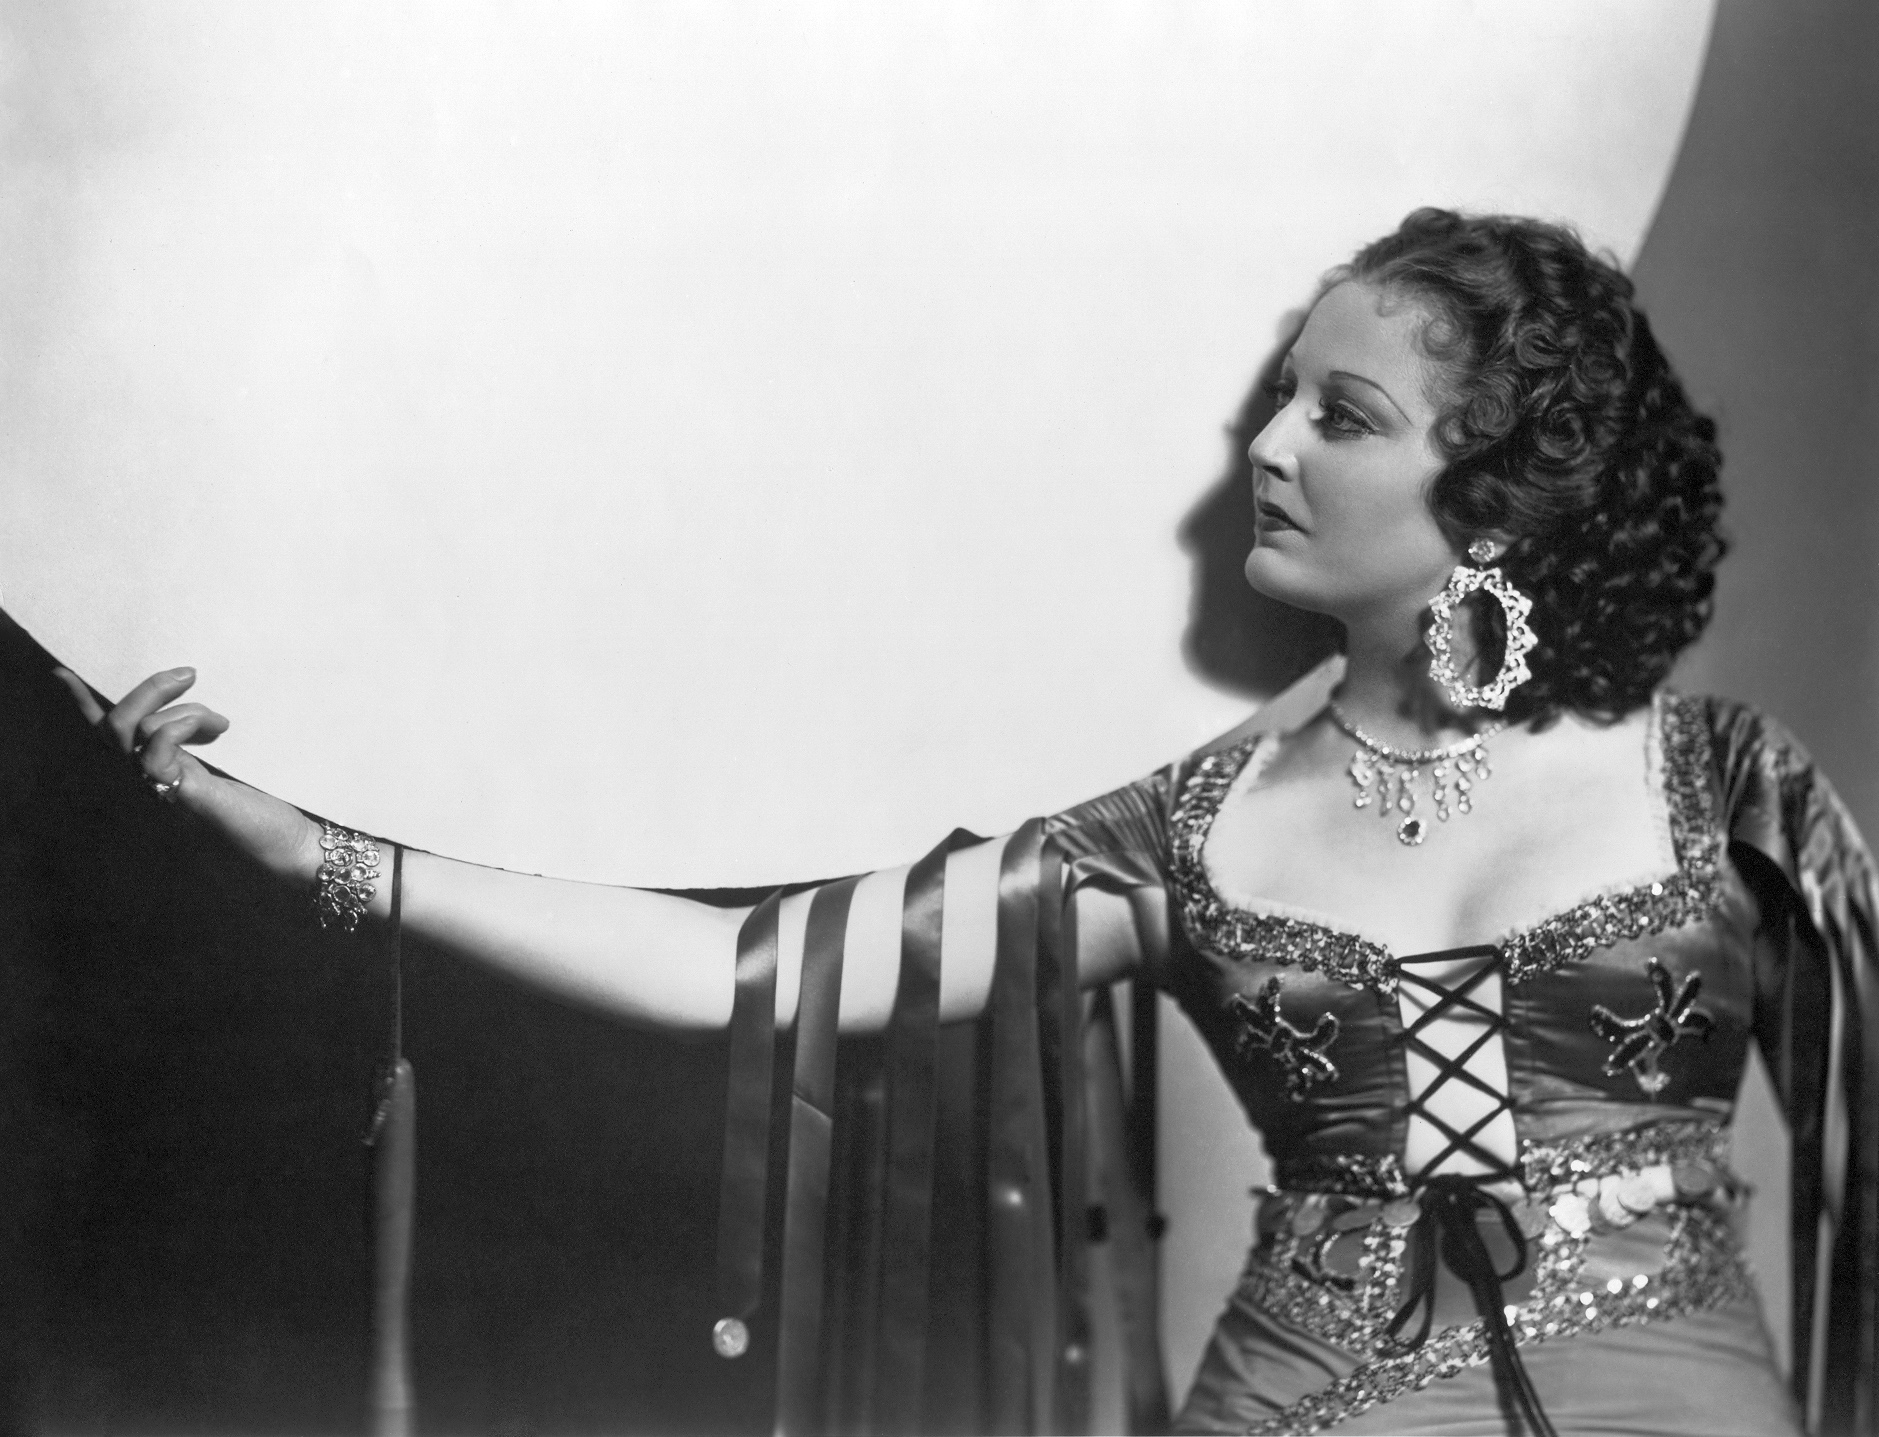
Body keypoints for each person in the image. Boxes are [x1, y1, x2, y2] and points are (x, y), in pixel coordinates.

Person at [59, 208, 1878, 1436]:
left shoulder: (1730, 788)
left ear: (1495, 491)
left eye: (1341, 413)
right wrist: (315, 847)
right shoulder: (1185, 829)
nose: (1266, 445)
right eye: (1278, 395)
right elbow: (736, 967)